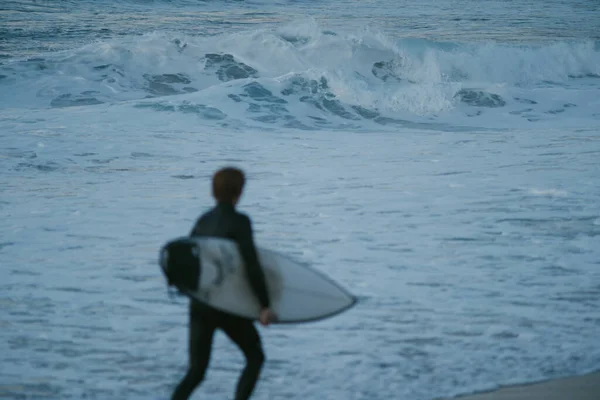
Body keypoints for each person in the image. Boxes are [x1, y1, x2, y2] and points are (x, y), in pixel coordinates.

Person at [171, 167, 277, 400]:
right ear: (239, 192)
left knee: (196, 371)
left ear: (213, 191)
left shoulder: (203, 221)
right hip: (227, 305)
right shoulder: (240, 222)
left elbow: (188, 260)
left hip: (201, 303)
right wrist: (264, 305)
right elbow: (251, 265)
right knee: (255, 357)